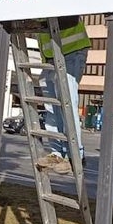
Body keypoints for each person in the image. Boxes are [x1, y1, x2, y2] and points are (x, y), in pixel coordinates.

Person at [33, 16, 91, 175]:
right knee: (52, 107)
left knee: (67, 104)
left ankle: (75, 155)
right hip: (51, 54)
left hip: (71, 50)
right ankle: (57, 153)